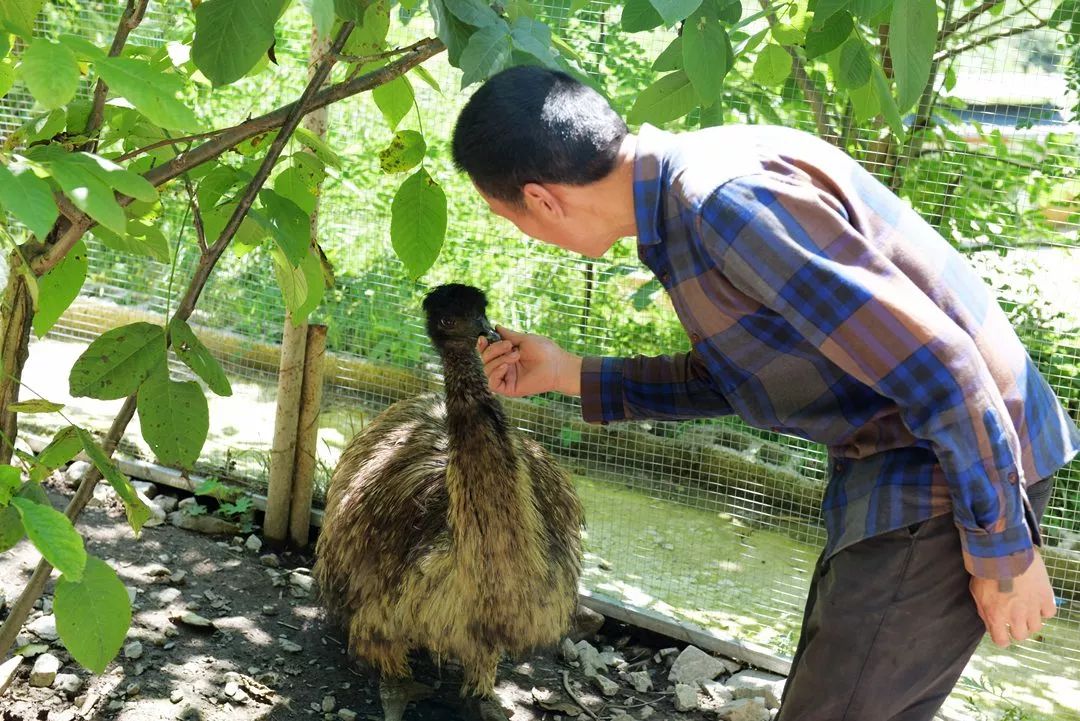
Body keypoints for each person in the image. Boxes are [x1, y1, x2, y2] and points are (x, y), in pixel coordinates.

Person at [450, 65, 1079, 720]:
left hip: (950, 468)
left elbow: (941, 364)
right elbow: (741, 377)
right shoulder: (688, 197)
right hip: (918, 459)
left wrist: (1004, 550)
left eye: (507, 215)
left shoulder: (721, 205)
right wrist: (568, 371)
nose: (519, 230)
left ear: (543, 199)